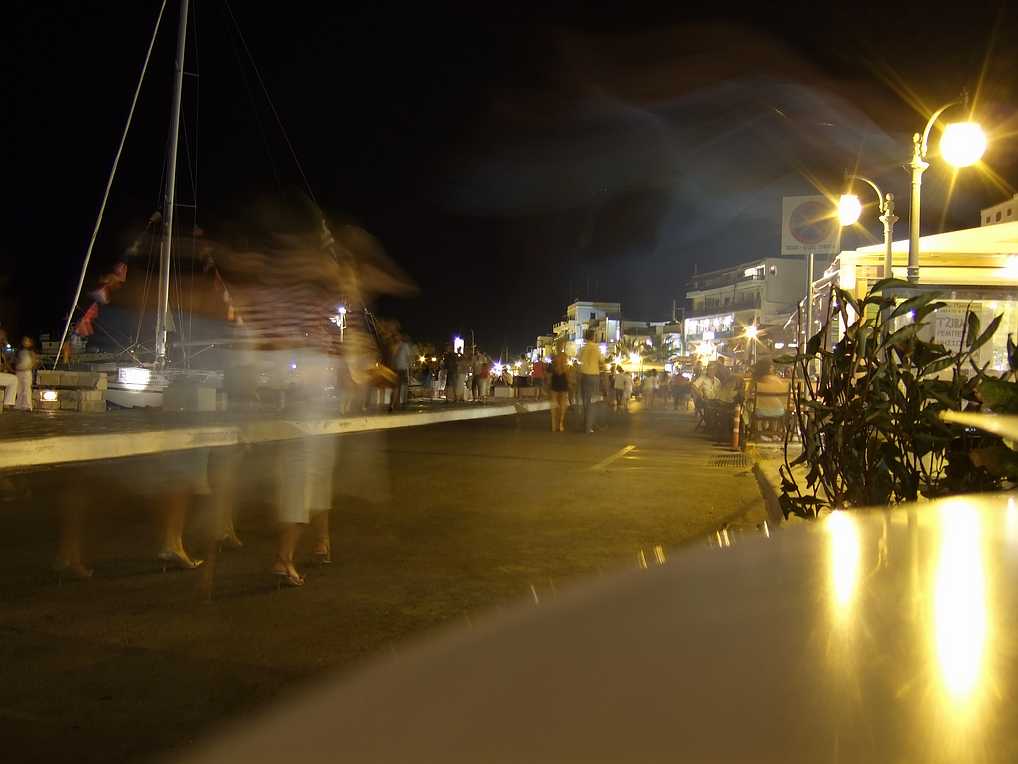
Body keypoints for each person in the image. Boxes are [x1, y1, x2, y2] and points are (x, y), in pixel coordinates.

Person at [578, 332, 602, 433]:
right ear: (593, 337)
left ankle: (587, 424)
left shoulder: (583, 348)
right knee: (593, 402)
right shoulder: (596, 347)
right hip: (594, 375)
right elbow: (601, 359)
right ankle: (589, 427)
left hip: (584, 376)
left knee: (586, 402)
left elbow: (579, 358)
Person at [390, 333, 414, 411]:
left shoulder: (405, 346)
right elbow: (392, 358)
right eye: (395, 336)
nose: (397, 338)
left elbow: (409, 358)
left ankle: (403, 403)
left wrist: (410, 369)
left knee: (404, 386)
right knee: (396, 387)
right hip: (396, 369)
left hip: (403, 369)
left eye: (398, 336)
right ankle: (394, 404)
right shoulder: (393, 346)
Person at [548, 347, 570, 432]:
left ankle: (554, 424)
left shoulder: (553, 356)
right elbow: (566, 370)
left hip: (555, 379)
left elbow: (550, 371)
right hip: (563, 379)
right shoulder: (564, 356)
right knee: (563, 403)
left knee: (554, 402)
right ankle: (561, 423)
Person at [15, 336, 38, 411]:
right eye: (24, 340)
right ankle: (19, 405)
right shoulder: (19, 351)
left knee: (27, 389)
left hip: (26, 372)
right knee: (19, 389)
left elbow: (34, 361)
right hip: (19, 372)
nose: (25, 342)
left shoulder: (31, 352)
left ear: (30, 343)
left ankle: (28, 405)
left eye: (27, 341)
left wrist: (29, 367)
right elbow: (16, 360)